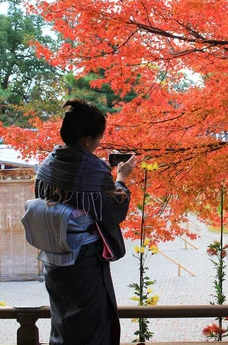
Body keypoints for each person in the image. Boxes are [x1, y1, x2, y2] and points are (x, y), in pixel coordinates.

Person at [31, 99, 136, 345]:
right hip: (84, 259)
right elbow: (112, 210)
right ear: (87, 140)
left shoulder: (47, 166)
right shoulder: (94, 170)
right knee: (93, 325)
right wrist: (121, 178)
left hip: (53, 255)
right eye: (99, 137)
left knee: (63, 321)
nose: (99, 142)